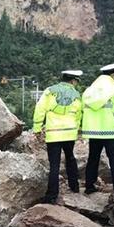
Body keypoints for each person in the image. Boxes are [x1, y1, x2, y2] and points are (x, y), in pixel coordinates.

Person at [81, 62, 114, 195]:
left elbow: (83, 109)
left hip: (93, 131)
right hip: (108, 130)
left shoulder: (90, 90)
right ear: (113, 74)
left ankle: (89, 185)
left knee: (93, 157)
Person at [32, 69, 83, 204]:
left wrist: (37, 128)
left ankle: (51, 196)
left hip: (54, 133)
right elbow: (79, 114)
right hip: (69, 133)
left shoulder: (49, 91)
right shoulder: (76, 94)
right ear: (73, 80)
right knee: (70, 158)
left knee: (54, 165)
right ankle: (75, 186)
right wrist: (76, 129)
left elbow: (40, 109)